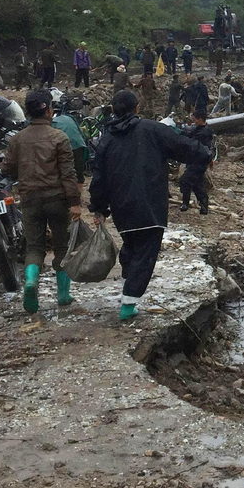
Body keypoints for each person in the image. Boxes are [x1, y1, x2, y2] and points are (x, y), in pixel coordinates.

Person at [89, 90, 212, 320]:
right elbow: (182, 145)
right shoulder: (152, 129)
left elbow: (99, 178)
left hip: (121, 206)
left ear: (113, 111)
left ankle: (128, 286)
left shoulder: (107, 139)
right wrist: (206, 154)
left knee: (132, 244)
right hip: (151, 204)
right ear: (137, 108)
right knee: (146, 252)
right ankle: (128, 302)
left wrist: (99, 207)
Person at [1, 90, 82, 313]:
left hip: (29, 200)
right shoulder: (59, 137)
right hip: (57, 199)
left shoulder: (17, 139)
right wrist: (75, 202)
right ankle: (63, 295)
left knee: (34, 248)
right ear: (48, 110)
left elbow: (6, 168)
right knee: (61, 247)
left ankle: (30, 283)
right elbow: (68, 173)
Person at [179, 111, 214, 214]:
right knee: (197, 184)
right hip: (195, 160)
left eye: (194, 120)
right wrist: (179, 131)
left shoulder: (204, 133)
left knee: (185, 181)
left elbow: (192, 141)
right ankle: (204, 207)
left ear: (200, 119)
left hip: (200, 161)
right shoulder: (200, 129)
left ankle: (185, 204)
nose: (193, 122)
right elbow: (190, 134)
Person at [51, 108, 89, 183]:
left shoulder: (51, 122)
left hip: (66, 147)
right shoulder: (69, 118)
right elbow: (81, 134)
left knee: (66, 174)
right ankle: (79, 193)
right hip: (79, 144)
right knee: (79, 176)